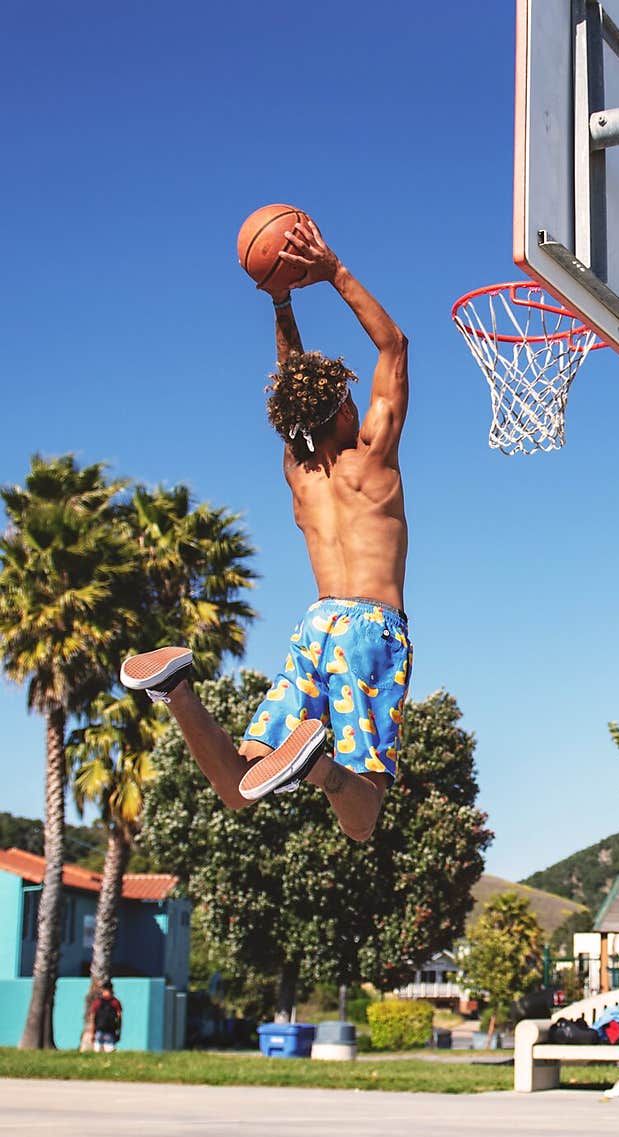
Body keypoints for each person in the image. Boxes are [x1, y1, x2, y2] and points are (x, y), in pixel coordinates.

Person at [120, 218, 411, 842]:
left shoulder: (299, 471)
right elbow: (393, 348)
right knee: (361, 818)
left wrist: (282, 301)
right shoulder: (372, 462)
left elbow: (292, 387)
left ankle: (175, 690)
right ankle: (322, 770)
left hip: (316, 625)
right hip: (370, 629)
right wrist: (333, 271)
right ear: (342, 407)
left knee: (239, 786)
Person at [90, 983, 122, 1053]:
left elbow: (93, 1018)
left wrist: (92, 1033)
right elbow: (119, 1018)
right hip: (110, 1031)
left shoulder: (97, 1002)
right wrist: (119, 1032)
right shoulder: (116, 1002)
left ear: (102, 990)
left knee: (97, 1052)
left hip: (99, 1030)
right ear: (112, 989)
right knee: (110, 1052)